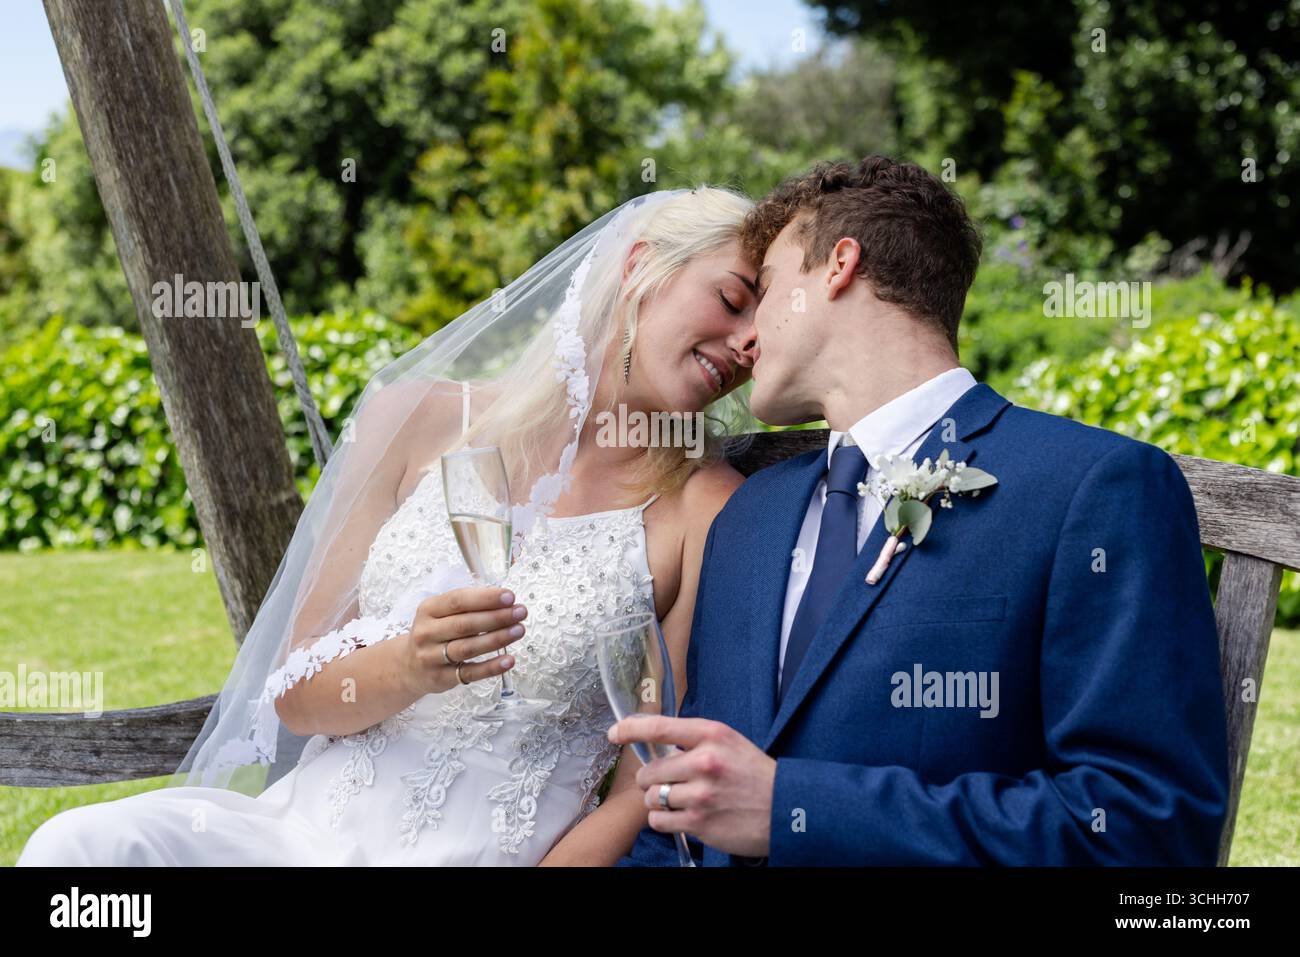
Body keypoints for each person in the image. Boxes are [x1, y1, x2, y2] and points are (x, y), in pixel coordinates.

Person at [17, 187, 760, 866]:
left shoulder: (705, 507)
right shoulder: (420, 419)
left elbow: (643, 785)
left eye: (762, 329)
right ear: (639, 268)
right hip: (296, 841)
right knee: (79, 847)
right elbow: (296, 696)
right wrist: (410, 663)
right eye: (732, 299)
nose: (747, 344)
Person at [613, 156, 1230, 866]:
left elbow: (1145, 828)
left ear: (839, 265)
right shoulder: (748, 517)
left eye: (769, 289)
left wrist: (794, 808)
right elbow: (678, 811)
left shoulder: (1095, 489)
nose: (747, 339)